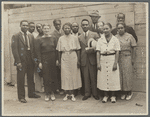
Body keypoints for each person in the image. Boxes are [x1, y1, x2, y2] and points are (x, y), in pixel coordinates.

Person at [11, 20, 41, 103]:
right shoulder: (16, 36)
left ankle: (31, 93)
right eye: (23, 25)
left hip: (30, 59)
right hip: (21, 60)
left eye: (26, 25)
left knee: (31, 77)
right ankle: (21, 97)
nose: (25, 27)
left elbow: (33, 49)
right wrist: (18, 62)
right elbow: (14, 50)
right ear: (20, 26)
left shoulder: (30, 36)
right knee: (21, 78)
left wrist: (35, 60)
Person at [56, 22, 82, 102]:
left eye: (68, 28)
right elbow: (59, 51)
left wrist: (78, 60)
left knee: (73, 75)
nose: (67, 29)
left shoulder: (74, 37)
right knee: (65, 75)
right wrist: (59, 61)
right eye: (65, 28)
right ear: (63, 29)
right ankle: (67, 94)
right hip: (64, 57)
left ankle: (73, 94)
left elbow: (78, 49)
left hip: (73, 56)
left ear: (70, 29)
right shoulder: (61, 38)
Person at [96, 23, 121, 103]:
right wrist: (98, 63)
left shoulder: (115, 39)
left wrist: (115, 63)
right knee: (103, 77)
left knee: (113, 77)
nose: (105, 30)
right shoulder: (100, 40)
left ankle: (113, 96)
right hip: (103, 59)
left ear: (110, 29)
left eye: (107, 28)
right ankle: (105, 95)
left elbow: (117, 52)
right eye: (104, 29)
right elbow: (98, 52)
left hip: (112, 59)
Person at [36, 24, 58, 101]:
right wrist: (39, 62)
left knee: (52, 76)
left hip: (52, 58)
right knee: (46, 76)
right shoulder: (39, 39)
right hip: (44, 59)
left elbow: (56, 50)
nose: (46, 30)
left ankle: (52, 92)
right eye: (44, 28)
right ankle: (47, 93)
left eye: (47, 28)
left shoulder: (53, 38)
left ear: (50, 29)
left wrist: (57, 59)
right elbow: (38, 52)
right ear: (42, 29)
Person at [79, 19, 99, 101]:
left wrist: (92, 50)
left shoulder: (94, 34)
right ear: (81, 26)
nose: (85, 26)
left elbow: (98, 46)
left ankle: (95, 93)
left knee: (93, 77)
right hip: (84, 59)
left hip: (92, 59)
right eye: (83, 25)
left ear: (89, 25)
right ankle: (87, 93)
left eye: (86, 24)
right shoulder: (79, 37)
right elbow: (79, 49)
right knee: (86, 77)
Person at [115, 22, 137, 100]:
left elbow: (134, 47)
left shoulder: (129, 36)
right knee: (120, 75)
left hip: (127, 57)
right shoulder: (115, 37)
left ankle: (129, 92)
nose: (120, 29)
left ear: (124, 28)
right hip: (118, 57)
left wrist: (133, 58)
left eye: (121, 28)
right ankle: (123, 92)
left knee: (127, 75)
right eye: (118, 28)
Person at [51, 19, 64, 95]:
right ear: (54, 25)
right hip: (57, 55)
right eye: (56, 25)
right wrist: (56, 59)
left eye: (59, 24)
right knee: (58, 72)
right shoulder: (52, 34)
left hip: (65, 54)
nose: (58, 26)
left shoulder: (63, 32)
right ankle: (59, 88)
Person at [34, 23, 44, 92]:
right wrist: (37, 60)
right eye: (37, 27)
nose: (38, 28)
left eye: (39, 27)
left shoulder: (48, 36)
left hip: (48, 57)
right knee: (40, 72)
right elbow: (36, 51)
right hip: (40, 58)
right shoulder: (37, 38)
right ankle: (41, 88)